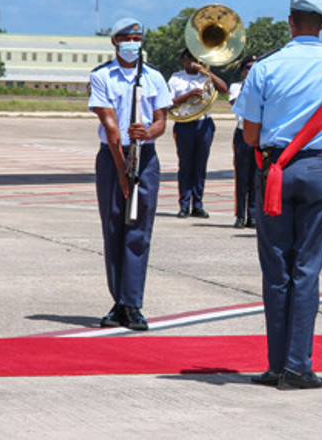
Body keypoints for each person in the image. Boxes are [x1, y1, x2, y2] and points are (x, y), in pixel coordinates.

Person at [233, 0, 322, 390]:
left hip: (275, 172)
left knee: (276, 271)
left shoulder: (265, 68)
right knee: (307, 270)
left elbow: (250, 133)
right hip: (318, 169)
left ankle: (275, 364)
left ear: (290, 22)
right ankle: (299, 365)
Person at [89, 17, 173, 330]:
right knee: (114, 226)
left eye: (138, 38)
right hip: (114, 157)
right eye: (127, 37)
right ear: (114, 41)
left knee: (138, 231)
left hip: (145, 156)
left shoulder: (154, 78)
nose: (133, 43)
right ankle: (118, 300)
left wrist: (148, 130)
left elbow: (162, 121)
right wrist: (123, 171)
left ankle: (132, 303)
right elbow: (111, 127)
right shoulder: (102, 77)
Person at [169, 48, 228, 219]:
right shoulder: (176, 78)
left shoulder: (205, 77)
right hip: (184, 123)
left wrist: (207, 72)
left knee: (200, 166)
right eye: (190, 57)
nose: (193, 60)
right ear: (183, 60)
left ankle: (198, 204)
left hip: (204, 123)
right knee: (186, 166)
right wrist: (187, 96)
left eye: (196, 57)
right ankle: (184, 204)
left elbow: (223, 89)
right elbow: (167, 104)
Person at [229, 54, 258, 229]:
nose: (251, 71)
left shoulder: (262, 87)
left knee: (256, 177)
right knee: (242, 177)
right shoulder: (236, 86)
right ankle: (240, 215)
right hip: (242, 133)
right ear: (242, 71)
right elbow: (235, 103)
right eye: (248, 68)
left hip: (256, 135)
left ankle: (253, 215)